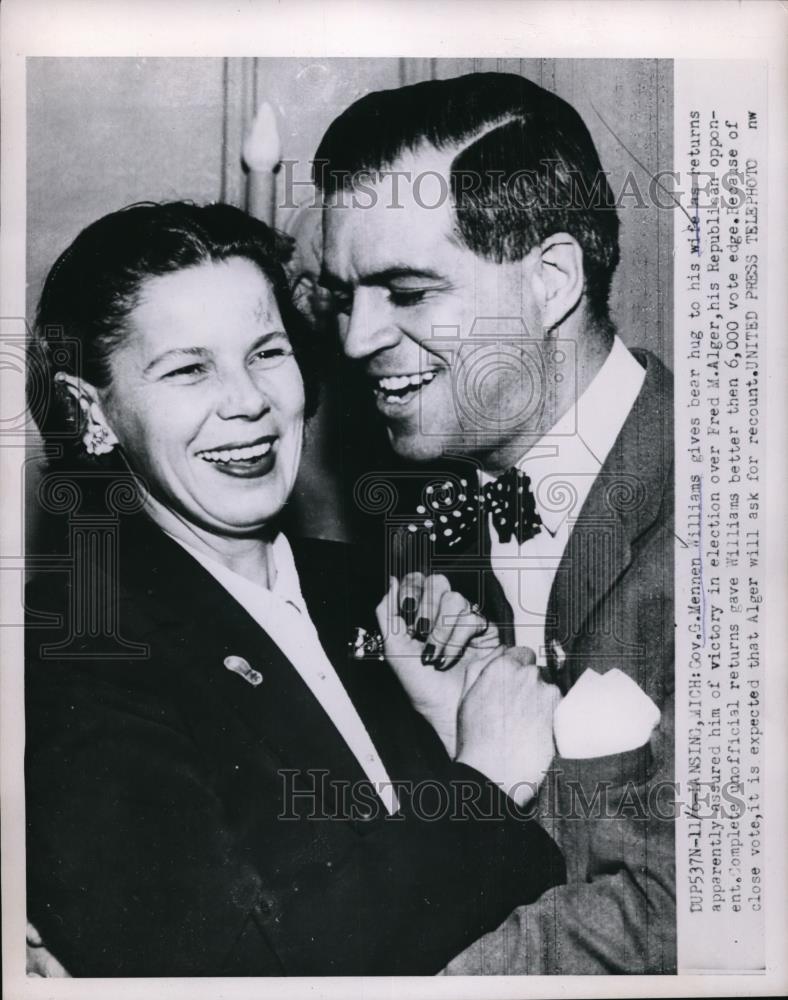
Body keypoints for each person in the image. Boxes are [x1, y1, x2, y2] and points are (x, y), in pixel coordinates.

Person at [24, 201, 565, 977]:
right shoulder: (78, 658)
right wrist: (481, 782)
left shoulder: (371, 595)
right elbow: (231, 968)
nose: (248, 400)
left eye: (267, 352)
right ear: (91, 412)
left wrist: (445, 721)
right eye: (188, 368)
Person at [316, 71, 676, 974]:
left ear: (552, 280)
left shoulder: (740, 517)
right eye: (344, 295)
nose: (356, 340)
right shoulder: (421, 536)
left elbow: (697, 912)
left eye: (405, 291)